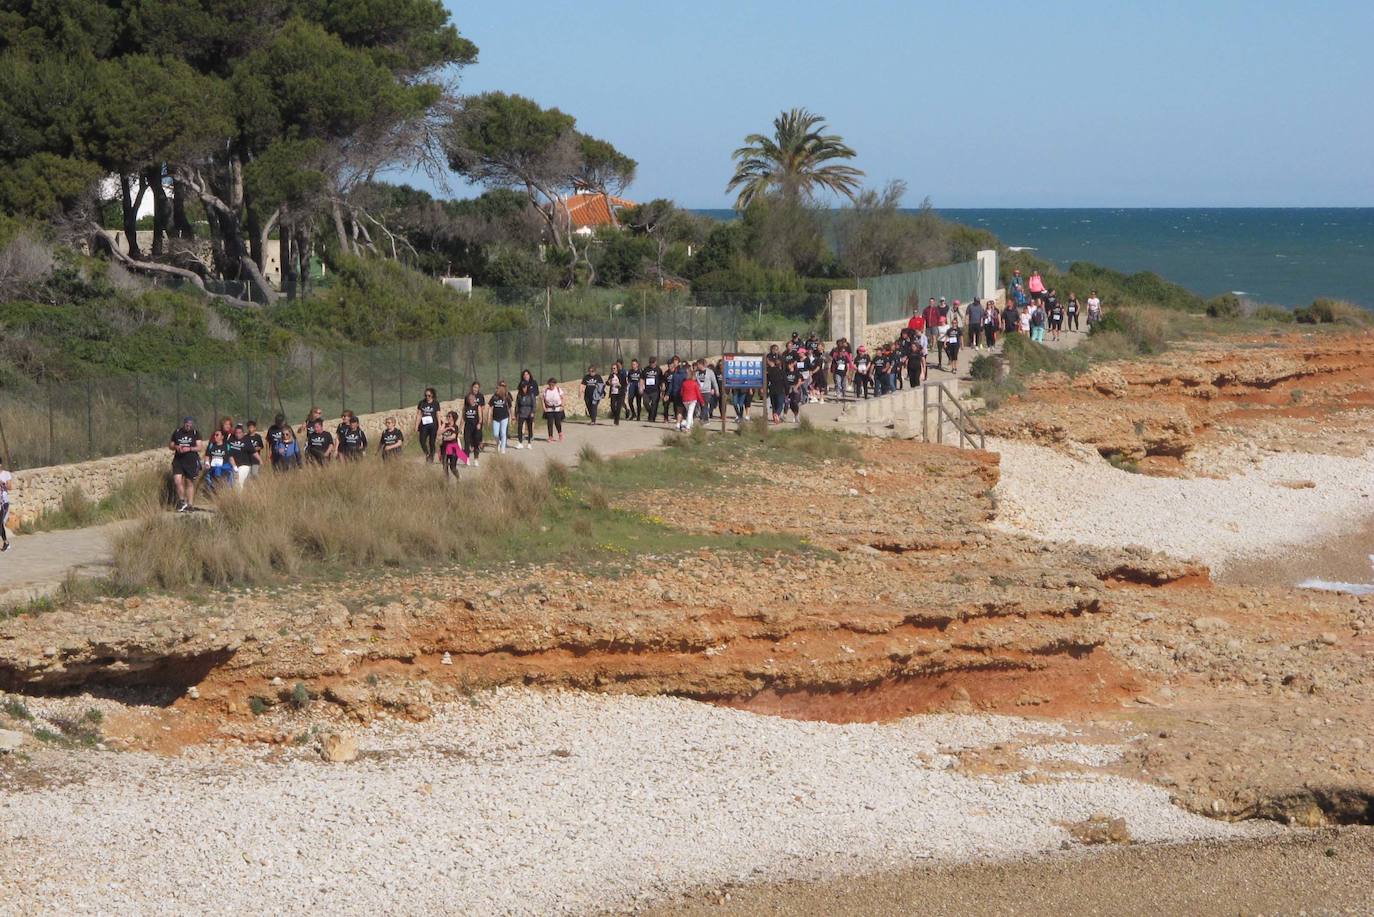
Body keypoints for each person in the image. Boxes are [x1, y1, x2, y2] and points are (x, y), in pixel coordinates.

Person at [169, 416, 203, 513]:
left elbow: (199, 447)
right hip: (178, 460)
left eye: (190, 424)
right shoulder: (177, 432)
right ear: (184, 423)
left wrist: (189, 449)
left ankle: (190, 504)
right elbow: (170, 445)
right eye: (187, 423)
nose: (188, 425)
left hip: (191, 461)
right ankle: (182, 501)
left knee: (189, 483)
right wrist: (176, 446)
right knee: (177, 481)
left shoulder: (196, 433)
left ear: (192, 424)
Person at [203, 429, 234, 494]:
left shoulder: (227, 446)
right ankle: (213, 492)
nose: (215, 436)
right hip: (213, 467)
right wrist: (207, 463)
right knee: (210, 474)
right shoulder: (211, 445)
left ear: (222, 437)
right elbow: (207, 456)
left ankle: (229, 491)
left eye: (217, 435)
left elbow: (231, 457)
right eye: (214, 435)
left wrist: (235, 466)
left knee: (230, 473)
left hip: (224, 466)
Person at [415, 387, 442, 464]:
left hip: (433, 426)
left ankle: (431, 456)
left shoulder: (436, 403)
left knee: (432, 442)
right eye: (426, 395)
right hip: (424, 425)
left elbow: (438, 414)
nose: (427, 397)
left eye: (429, 395)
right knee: (422, 440)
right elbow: (419, 414)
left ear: (432, 395)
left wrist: (439, 426)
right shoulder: (422, 403)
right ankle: (427, 453)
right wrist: (416, 425)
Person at [462, 383, 485, 465]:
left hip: (476, 427)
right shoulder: (466, 407)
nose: (471, 400)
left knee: (475, 443)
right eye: (470, 399)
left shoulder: (477, 407)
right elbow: (463, 417)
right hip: (468, 426)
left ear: (474, 399)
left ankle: (476, 459)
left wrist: (479, 423)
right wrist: (461, 427)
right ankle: (467, 458)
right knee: (467, 443)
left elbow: (480, 417)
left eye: (472, 399)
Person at [515, 371, 538, 449]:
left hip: (529, 412)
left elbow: (534, 404)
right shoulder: (519, 395)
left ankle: (529, 442)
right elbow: (517, 405)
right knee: (519, 427)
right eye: (522, 387)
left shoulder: (531, 394)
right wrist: (516, 413)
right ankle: (520, 442)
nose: (524, 389)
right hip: (521, 413)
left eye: (525, 387)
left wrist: (532, 412)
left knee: (529, 427)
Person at [489, 380, 512, 453]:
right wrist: (489, 416)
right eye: (500, 387)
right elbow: (490, 406)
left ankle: (503, 448)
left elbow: (510, 407)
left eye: (503, 387)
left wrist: (512, 416)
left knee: (503, 432)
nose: (501, 388)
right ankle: (498, 443)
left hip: (504, 417)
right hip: (495, 418)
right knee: (496, 434)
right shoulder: (494, 397)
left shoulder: (507, 396)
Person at [440, 410, 464, 479]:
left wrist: (445, 438)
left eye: (449, 416)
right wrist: (447, 428)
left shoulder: (455, 427)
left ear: (453, 418)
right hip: (444, 447)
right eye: (447, 416)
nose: (447, 417)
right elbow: (439, 432)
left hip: (452, 448)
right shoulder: (445, 425)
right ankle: (446, 480)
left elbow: (453, 437)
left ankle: (458, 477)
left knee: (452, 467)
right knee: (444, 465)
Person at [226, 422, 250, 489]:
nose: (238, 434)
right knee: (233, 482)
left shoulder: (246, 440)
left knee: (238, 481)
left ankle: (239, 498)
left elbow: (253, 452)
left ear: (243, 432)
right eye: (236, 432)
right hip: (234, 465)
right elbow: (228, 450)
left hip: (244, 464)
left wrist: (259, 460)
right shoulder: (231, 438)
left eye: (240, 432)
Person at [542, 377, 565, 441]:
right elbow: (543, 399)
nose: (551, 386)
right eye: (550, 385)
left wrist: (562, 406)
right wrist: (544, 407)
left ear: (555, 384)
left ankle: (560, 433)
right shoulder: (546, 390)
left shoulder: (558, 389)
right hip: (549, 409)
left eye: (552, 385)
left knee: (557, 422)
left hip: (557, 408)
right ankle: (550, 436)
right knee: (549, 423)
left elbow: (563, 398)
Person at [679, 365, 702, 431]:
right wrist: (701, 401)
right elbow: (698, 393)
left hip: (685, 400)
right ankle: (687, 427)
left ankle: (690, 424)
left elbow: (681, 392)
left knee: (689, 411)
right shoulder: (695, 383)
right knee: (690, 413)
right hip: (693, 400)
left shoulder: (684, 383)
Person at [766, 355, 787, 424]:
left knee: (774, 405)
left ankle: (775, 418)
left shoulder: (769, 372)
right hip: (780, 390)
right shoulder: (782, 372)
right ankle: (777, 414)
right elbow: (785, 382)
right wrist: (787, 391)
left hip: (772, 389)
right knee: (780, 404)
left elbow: (767, 381)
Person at [641, 357, 662, 423]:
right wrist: (641, 387)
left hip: (655, 390)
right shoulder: (646, 369)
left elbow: (661, 380)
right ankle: (650, 412)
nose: (651, 364)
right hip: (647, 390)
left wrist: (662, 390)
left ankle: (652, 418)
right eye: (650, 362)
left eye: (653, 362)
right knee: (645, 402)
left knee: (654, 404)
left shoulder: (658, 370)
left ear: (655, 362)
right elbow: (642, 378)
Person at [0, 455, 13, 552]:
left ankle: (6, 542)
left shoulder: (6, 474)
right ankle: (6, 542)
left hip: (4, 502)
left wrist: (2, 483)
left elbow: (10, 487)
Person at [606, 361, 625, 425]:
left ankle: (616, 420)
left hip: (620, 393)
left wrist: (620, 385)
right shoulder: (611, 375)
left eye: (614, 368)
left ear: (617, 368)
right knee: (612, 407)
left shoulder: (621, 375)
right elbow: (607, 383)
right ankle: (616, 416)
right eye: (612, 368)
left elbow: (625, 384)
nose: (613, 370)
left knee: (618, 407)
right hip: (613, 393)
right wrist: (608, 382)